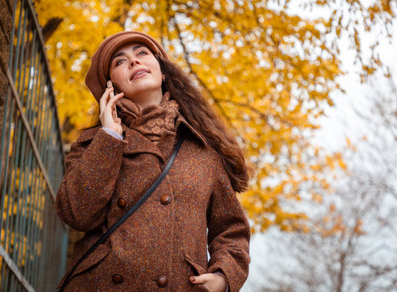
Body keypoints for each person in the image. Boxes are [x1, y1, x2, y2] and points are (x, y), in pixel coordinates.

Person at [55, 31, 251, 292]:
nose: (134, 62)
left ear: (163, 72)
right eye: (120, 61)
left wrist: (223, 276)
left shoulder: (203, 151)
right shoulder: (94, 144)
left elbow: (232, 230)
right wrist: (110, 136)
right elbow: (76, 214)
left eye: (142, 53)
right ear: (110, 87)